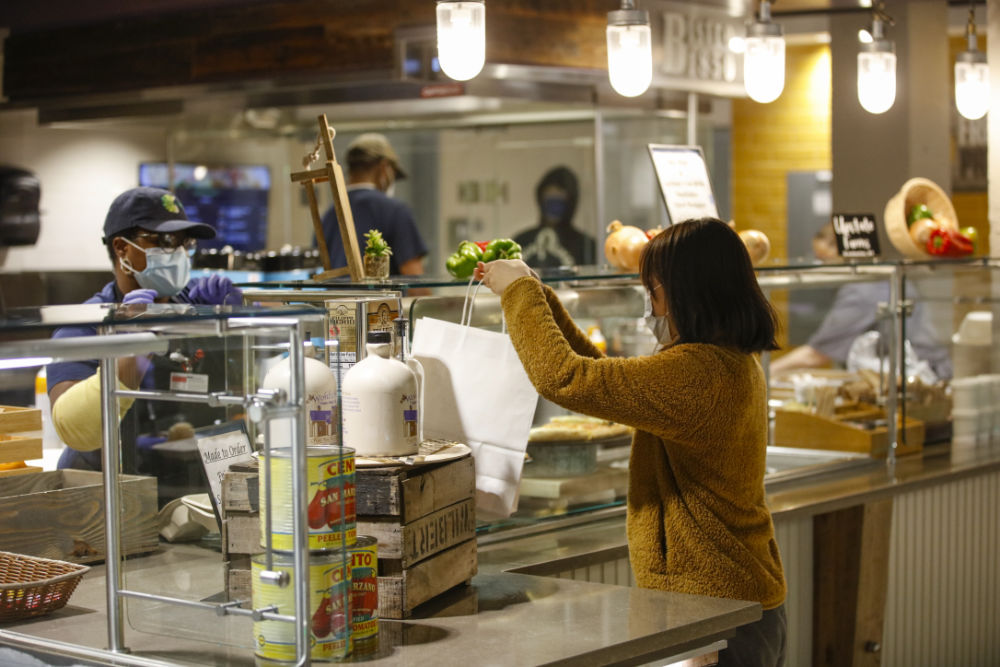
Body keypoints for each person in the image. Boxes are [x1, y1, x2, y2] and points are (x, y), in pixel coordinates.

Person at [476, 217, 787, 666]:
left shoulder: (695, 374)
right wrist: (540, 297)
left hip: (714, 612)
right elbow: (601, 375)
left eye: (654, 290)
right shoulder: (728, 360)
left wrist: (518, 293)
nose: (652, 305)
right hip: (738, 600)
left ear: (686, 293)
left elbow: (564, 379)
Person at [47, 186, 244, 475]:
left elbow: (237, 395)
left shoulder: (193, 304)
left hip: (188, 481)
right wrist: (131, 348)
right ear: (122, 248)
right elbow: (76, 430)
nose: (177, 253)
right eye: (164, 241)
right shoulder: (87, 324)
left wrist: (231, 331)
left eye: (184, 242)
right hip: (111, 488)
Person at [770, 222, 952, 379]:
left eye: (823, 259)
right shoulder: (878, 280)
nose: (820, 267)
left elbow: (815, 355)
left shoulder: (862, 290)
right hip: (928, 371)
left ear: (840, 252)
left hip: (922, 377)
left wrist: (767, 372)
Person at [319, 133, 428, 276]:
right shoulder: (396, 211)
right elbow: (413, 277)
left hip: (335, 299)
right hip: (382, 299)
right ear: (385, 168)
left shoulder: (328, 216)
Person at [513, 166, 596, 268]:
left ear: (570, 202)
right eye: (549, 197)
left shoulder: (585, 246)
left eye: (560, 197)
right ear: (541, 198)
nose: (554, 204)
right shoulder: (521, 241)